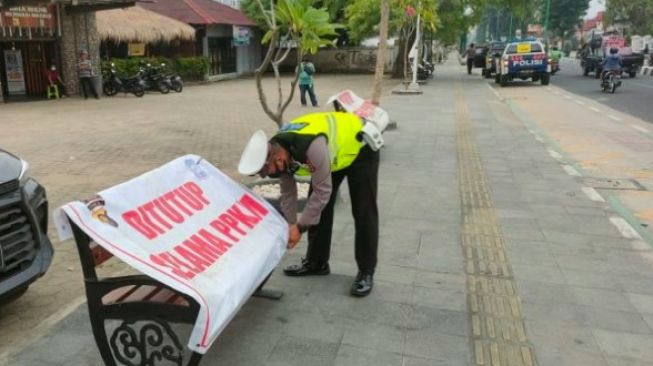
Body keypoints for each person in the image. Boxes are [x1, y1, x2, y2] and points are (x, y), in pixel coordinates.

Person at [238, 111, 380, 297]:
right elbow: (288, 192)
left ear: (278, 159)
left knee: (363, 210)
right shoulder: (279, 147)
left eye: (266, 171)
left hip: (360, 147)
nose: (265, 176)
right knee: (318, 206)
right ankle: (317, 262)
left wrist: (300, 228)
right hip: (333, 153)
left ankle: (366, 272)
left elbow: (323, 191)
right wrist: (290, 224)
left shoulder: (310, 147)